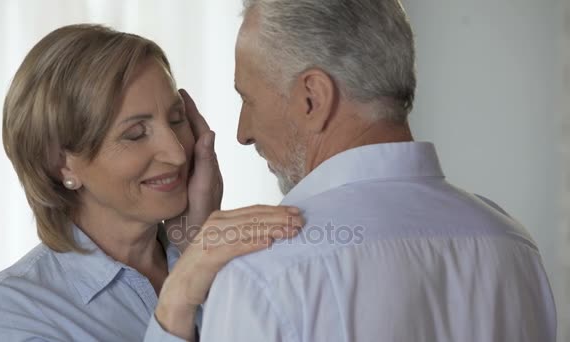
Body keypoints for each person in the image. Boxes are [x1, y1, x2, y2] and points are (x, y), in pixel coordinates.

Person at [193, 0, 558, 341]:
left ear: (313, 98)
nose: (243, 132)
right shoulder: (514, 247)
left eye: (248, 99)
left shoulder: (261, 274)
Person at [0, 24, 304, 342]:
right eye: (135, 134)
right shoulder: (13, 308)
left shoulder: (216, 255)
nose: (176, 153)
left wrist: (195, 245)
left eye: (177, 119)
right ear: (62, 163)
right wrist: (178, 300)